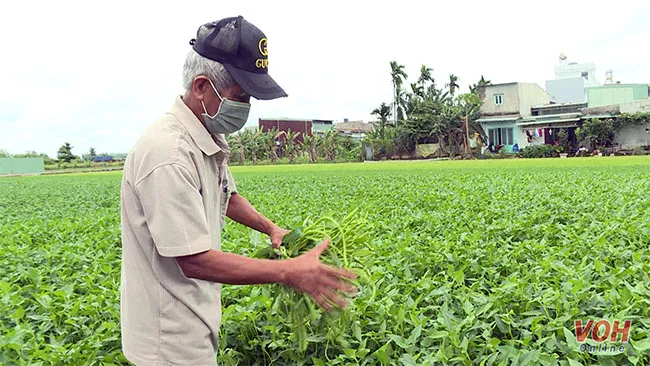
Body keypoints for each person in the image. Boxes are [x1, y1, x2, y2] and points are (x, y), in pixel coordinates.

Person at [119, 16, 357, 365]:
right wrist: (290, 272)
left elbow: (225, 196)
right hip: (168, 342)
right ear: (202, 86)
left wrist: (271, 228)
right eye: (240, 96)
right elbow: (193, 260)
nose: (245, 107)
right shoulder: (168, 154)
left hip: (193, 322)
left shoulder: (206, 134)